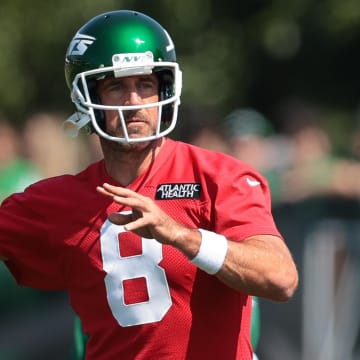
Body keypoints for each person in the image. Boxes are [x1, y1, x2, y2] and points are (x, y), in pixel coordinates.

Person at [0, 10, 298, 360]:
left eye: (145, 85)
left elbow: (280, 278)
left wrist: (182, 236)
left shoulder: (219, 177)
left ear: (165, 90)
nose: (134, 103)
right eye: (116, 86)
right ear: (86, 96)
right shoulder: (58, 201)